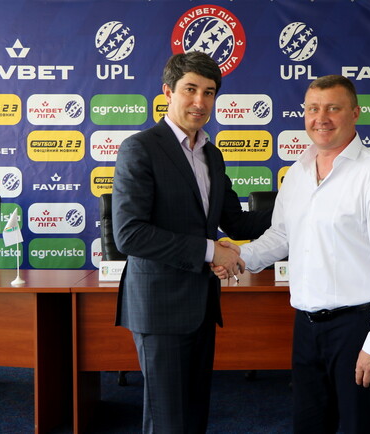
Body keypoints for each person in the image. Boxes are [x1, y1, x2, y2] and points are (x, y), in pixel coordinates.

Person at [214, 75, 370, 433]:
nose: (321, 118)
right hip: (306, 328)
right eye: (313, 109)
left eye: (333, 108)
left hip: (358, 328)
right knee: (309, 425)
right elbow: (282, 235)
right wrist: (239, 256)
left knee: (360, 427)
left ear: (355, 113)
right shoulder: (297, 173)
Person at [112, 51, 272, 434]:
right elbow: (129, 233)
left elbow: (237, 221)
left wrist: (303, 201)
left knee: (194, 415)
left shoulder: (211, 154)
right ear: (168, 92)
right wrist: (211, 250)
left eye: (209, 92)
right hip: (160, 307)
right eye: (190, 89)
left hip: (201, 305)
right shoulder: (141, 148)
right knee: (168, 421)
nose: (200, 101)